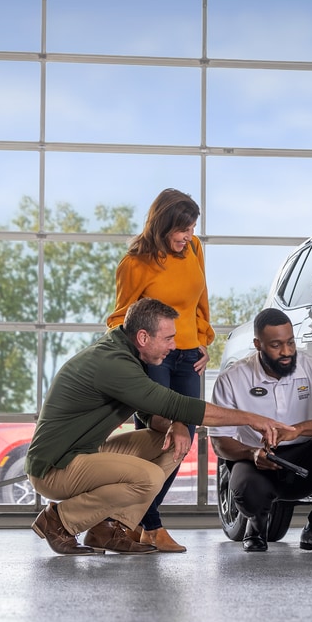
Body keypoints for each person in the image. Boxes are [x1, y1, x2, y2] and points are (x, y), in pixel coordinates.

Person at [26, 298, 297, 556]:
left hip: (85, 453)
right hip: (54, 467)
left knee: (171, 445)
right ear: (143, 337)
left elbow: (149, 413)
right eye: (168, 338)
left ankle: (108, 528)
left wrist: (174, 425)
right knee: (149, 478)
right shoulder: (114, 364)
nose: (174, 346)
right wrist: (254, 419)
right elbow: (177, 403)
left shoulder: (127, 355)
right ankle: (59, 520)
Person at [105, 188, 213, 554]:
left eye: (192, 227)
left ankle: (137, 523)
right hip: (155, 359)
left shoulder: (194, 249)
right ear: (163, 224)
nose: (188, 236)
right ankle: (150, 524)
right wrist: (139, 356)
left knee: (184, 439)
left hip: (188, 358)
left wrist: (202, 339)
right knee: (157, 438)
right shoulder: (135, 263)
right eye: (182, 229)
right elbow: (119, 318)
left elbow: (201, 298)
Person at [211, 308, 312, 553]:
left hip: (304, 459)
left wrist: (297, 430)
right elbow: (220, 443)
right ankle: (256, 525)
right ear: (257, 344)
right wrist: (252, 454)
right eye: (276, 345)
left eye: (290, 342)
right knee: (248, 492)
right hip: (257, 460)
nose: (286, 352)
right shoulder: (232, 378)